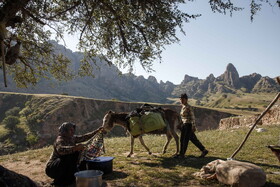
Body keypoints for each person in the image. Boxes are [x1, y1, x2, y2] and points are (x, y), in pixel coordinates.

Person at [45, 122, 103, 186]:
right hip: (52, 168)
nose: (72, 132)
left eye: (73, 130)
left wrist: (97, 131)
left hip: (62, 166)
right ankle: (60, 181)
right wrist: (75, 148)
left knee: (79, 154)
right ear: (65, 131)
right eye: (70, 130)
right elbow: (61, 150)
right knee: (68, 157)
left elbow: (84, 137)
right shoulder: (60, 140)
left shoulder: (72, 138)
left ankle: (74, 177)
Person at [175, 93, 208, 159]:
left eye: (183, 99)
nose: (181, 101)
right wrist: (179, 124)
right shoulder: (183, 107)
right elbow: (183, 118)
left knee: (184, 140)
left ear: (186, 100)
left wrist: (193, 126)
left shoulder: (188, 107)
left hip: (188, 125)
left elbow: (192, 117)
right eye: (180, 99)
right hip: (184, 125)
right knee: (192, 139)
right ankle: (204, 150)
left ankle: (182, 154)